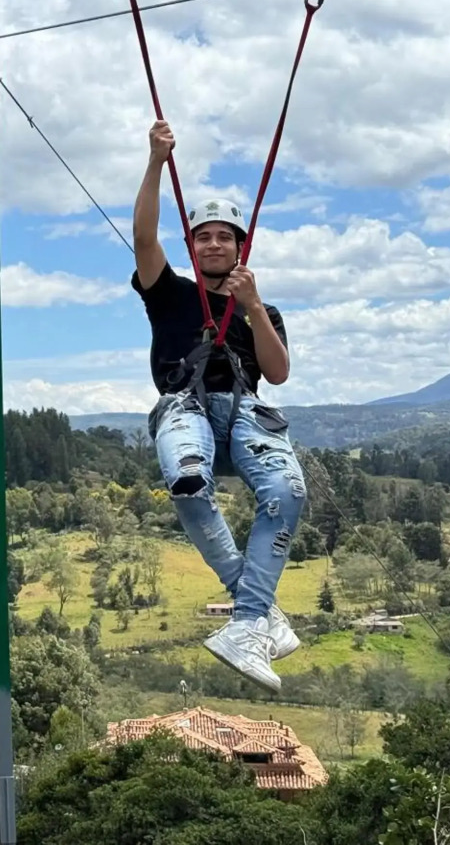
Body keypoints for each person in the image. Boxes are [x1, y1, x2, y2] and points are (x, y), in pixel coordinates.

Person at [132, 119, 306, 693]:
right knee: (188, 480)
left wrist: (253, 305)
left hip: (246, 411)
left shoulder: (263, 307)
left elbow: (276, 372)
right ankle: (254, 614)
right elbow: (144, 239)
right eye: (202, 236)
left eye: (223, 237)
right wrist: (157, 162)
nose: (212, 244)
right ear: (192, 247)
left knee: (288, 491)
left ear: (239, 247)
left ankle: (250, 620)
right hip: (186, 406)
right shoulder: (172, 294)